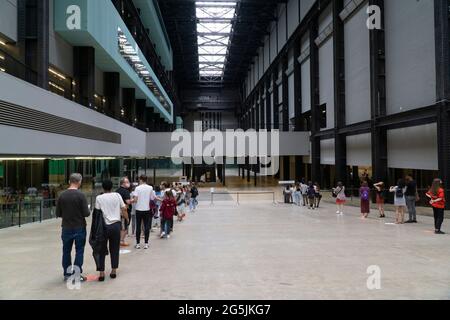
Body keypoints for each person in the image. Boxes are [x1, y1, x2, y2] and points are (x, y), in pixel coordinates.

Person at [56, 173, 90, 282]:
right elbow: (86, 213)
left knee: (66, 251)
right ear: (79, 181)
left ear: (69, 181)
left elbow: (58, 213)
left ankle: (67, 274)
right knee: (79, 251)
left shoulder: (62, 195)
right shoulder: (81, 195)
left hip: (66, 227)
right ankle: (76, 274)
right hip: (79, 226)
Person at [94, 180, 128, 281]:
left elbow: (97, 213)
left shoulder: (99, 198)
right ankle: (113, 271)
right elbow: (124, 209)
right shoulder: (117, 195)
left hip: (103, 227)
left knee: (101, 249)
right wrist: (127, 218)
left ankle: (101, 273)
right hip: (116, 226)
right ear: (112, 187)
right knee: (114, 248)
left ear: (103, 188)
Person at [133, 175, 155, 250]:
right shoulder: (150, 188)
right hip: (147, 209)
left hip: (138, 209)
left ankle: (138, 244)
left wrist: (131, 200)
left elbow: (135, 199)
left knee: (138, 226)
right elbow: (152, 198)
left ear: (141, 180)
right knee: (146, 227)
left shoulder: (137, 188)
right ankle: (146, 243)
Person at [116, 177, 134, 247]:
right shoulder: (125, 191)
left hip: (118, 211)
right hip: (124, 211)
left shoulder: (117, 190)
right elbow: (128, 202)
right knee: (125, 227)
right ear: (123, 183)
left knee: (121, 226)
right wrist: (134, 200)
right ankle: (121, 241)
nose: (128, 183)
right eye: (127, 182)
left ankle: (119, 240)